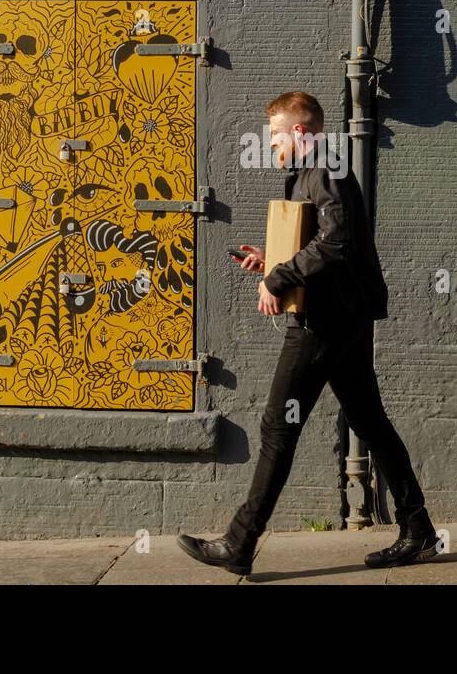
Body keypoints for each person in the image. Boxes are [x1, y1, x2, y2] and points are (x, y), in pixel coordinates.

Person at [177, 91, 438, 576]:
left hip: (325, 320)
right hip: (342, 316)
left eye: (275, 132)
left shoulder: (326, 168)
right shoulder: (314, 170)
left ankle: (239, 542)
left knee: (278, 426)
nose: (270, 141)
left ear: (300, 131)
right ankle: (418, 529)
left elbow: (337, 241)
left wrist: (277, 278)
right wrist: (271, 259)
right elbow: (319, 240)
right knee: (370, 421)